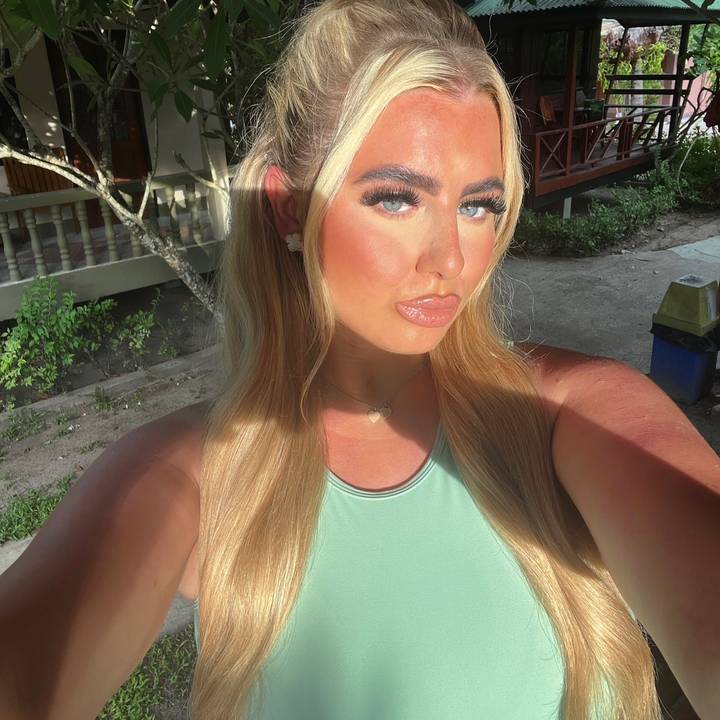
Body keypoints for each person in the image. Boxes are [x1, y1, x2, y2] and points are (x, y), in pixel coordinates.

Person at [1, 1, 718, 719]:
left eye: (478, 205)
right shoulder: (197, 474)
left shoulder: (573, 414)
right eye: (397, 199)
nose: (450, 260)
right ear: (288, 208)